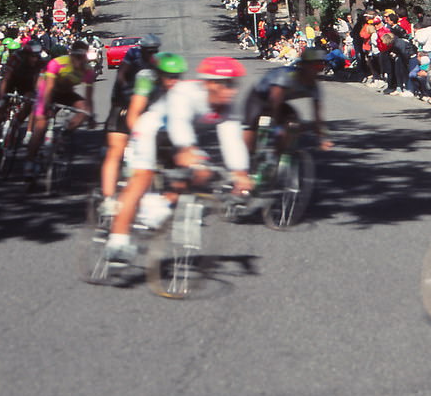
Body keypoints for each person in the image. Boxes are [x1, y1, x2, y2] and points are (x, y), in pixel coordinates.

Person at [104, 56, 253, 262]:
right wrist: (187, 149)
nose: (232, 91)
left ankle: (161, 204)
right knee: (142, 179)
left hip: (174, 138)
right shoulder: (185, 93)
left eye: (234, 85)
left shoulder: (229, 105)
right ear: (209, 83)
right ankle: (117, 241)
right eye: (226, 85)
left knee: (202, 172)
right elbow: (178, 122)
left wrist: (240, 172)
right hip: (151, 130)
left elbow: (232, 139)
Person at [100, 34, 161, 209]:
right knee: (115, 150)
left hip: (145, 104)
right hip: (122, 102)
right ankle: (108, 199)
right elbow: (121, 74)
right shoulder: (133, 55)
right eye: (148, 51)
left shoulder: (156, 61)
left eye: (154, 51)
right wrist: (125, 92)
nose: (151, 54)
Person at [23, 40, 96, 178]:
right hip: (49, 91)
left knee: (84, 110)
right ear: (71, 55)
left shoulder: (88, 71)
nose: (79, 61)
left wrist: (90, 115)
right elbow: (48, 88)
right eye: (76, 57)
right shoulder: (57, 63)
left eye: (82, 58)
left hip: (66, 93)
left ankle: (65, 133)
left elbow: (88, 99)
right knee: (40, 126)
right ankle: (29, 162)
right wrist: (44, 109)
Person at [243, 47, 334, 155]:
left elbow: (318, 116)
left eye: (320, 66)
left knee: (293, 122)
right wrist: (278, 127)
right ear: (303, 66)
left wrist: (322, 138)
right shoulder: (286, 77)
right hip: (258, 98)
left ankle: (278, 156)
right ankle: (247, 158)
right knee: (251, 125)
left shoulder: (314, 87)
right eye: (314, 66)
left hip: (279, 102)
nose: (317, 71)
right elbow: (274, 102)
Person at [0, 38, 42, 158]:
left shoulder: (39, 61)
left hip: (26, 83)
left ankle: (17, 123)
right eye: (32, 56)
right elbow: (6, 79)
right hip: (11, 81)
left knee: (31, 101)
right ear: (26, 54)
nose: (35, 58)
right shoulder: (16, 57)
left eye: (36, 56)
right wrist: (1, 98)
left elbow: (37, 83)